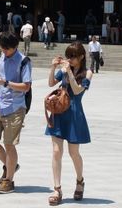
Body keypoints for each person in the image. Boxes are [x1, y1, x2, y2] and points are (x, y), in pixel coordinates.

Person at [0, 32, 32, 195]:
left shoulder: (24, 61)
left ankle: (8, 181)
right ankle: (11, 165)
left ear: (15, 46)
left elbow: (26, 86)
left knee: (9, 144)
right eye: (3, 48)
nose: (4, 51)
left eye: (7, 49)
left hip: (15, 107)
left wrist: (5, 82)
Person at [45, 42, 92, 205]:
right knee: (56, 151)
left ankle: (80, 181)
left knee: (74, 153)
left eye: (73, 56)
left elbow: (78, 90)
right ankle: (57, 189)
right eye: (68, 56)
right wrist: (53, 68)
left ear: (81, 57)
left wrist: (70, 73)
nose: (70, 59)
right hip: (59, 112)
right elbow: (51, 83)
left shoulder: (88, 72)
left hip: (74, 114)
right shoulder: (64, 70)